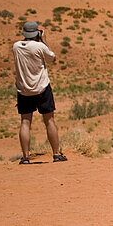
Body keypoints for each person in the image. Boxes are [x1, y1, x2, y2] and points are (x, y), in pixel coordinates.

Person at [12, 20, 66, 164]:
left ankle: (25, 157)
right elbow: (52, 58)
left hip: (23, 89)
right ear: (37, 32)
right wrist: (44, 40)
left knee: (25, 122)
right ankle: (56, 154)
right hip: (41, 88)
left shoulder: (16, 46)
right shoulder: (40, 46)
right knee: (49, 120)